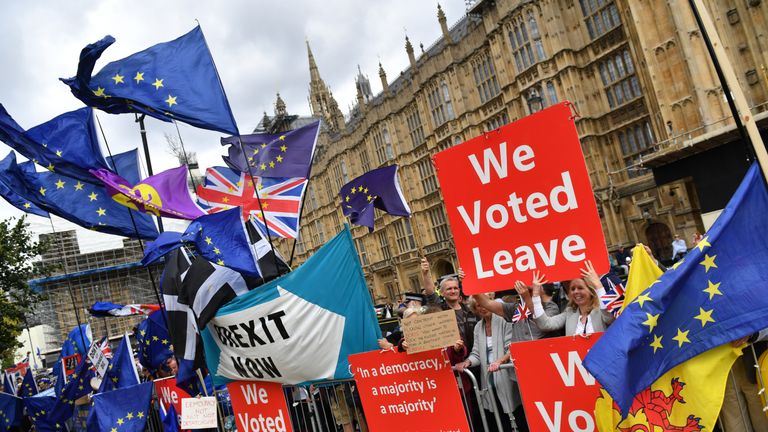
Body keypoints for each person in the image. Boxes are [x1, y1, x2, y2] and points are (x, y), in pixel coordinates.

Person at [456, 297, 521, 432]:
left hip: (505, 373)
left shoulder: (504, 320)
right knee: (496, 414)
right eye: (478, 306)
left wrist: (500, 361)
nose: (482, 308)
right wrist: (467, 362)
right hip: (488, 377)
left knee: (514, 413)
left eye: (483, 304)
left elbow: (513, 347)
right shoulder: (478, 327)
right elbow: (476, 354)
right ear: (475, 309)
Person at [519, 262, 614, 336]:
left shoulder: (601, 311)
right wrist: (535, 294)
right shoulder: (569, 313)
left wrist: (598, 285)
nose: (576, 292)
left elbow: (609, 317)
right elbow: (545, 324)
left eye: (580, 288)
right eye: (572, 289)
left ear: (591, 291)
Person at [421, 257, 479, 353]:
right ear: (442, 292)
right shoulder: (440, 309)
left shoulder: (470, 310)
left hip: (473, 358)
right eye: (449, 289)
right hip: (452, 358)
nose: (453, 291)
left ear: (459, 290)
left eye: (455, 288)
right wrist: (426, 273)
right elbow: (430, 293)